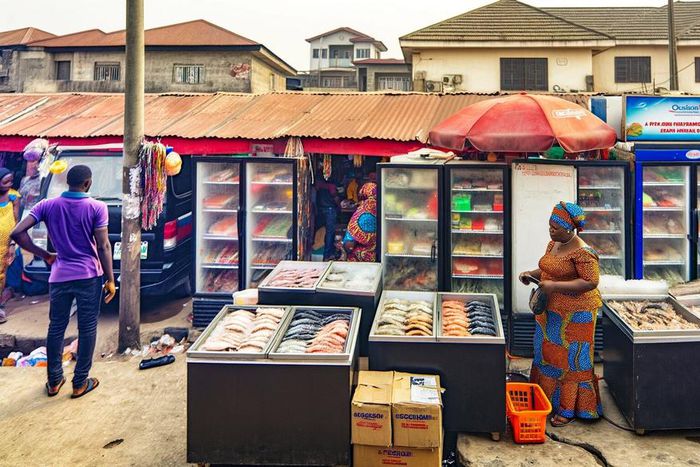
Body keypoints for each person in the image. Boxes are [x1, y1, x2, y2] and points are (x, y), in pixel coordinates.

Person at [11, 165, 116, 398]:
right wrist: (110, 279)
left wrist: (44, 254)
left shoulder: (47, 205)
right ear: (87, 184)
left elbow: (17, 233)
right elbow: (103, 245)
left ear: (68, 182)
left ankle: (54, 381)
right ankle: (80, 382)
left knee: (56, 327)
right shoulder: (97, 207)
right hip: (89, 275)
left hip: (59, 276)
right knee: (87, 328)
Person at [518, 201, 602, 427]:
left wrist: (554, 287)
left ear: (569, 228)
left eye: (555, 227)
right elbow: (548, 268)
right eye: (549, 226)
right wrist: (531, 274)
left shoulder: (583, 252)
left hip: (577, 315)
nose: (551, 230)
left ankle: (569, 408)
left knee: (572, 361)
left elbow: (591, 281)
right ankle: (545, 399)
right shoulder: (554, 244)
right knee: (547, 354)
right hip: (551, 311)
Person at [0, 168, 20, 323]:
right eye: (5, 181)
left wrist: (13, 243)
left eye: (11, 181)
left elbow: (16, 221)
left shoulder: (14, 197)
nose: (9, 184)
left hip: (5, 244)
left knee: (1, 276)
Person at [343, 182, 377, 262]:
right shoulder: (383, 208)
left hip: (360, 258)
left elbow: (349, 244)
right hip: (378, 255)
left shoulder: (361, 211)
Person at [315, 174, 340, 261]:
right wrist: (339, 205)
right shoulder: (331, 186)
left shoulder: (319, 185)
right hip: (330, 210)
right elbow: (335, 197)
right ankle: (327, 255)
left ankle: (328, 253)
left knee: (323, 231)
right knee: (330, 233)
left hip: (321, 210)